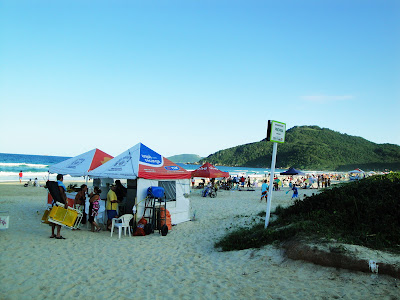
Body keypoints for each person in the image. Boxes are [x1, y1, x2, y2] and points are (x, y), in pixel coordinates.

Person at [50, 174, 67, 239]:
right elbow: (62, 194)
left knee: (53, 219)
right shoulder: (60, 185)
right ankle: (58, 234)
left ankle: (52, 234)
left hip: (54, 202)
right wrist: (65, 202)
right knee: (59, 219)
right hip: (59, 203)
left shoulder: (54, 185)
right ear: (61, 178)